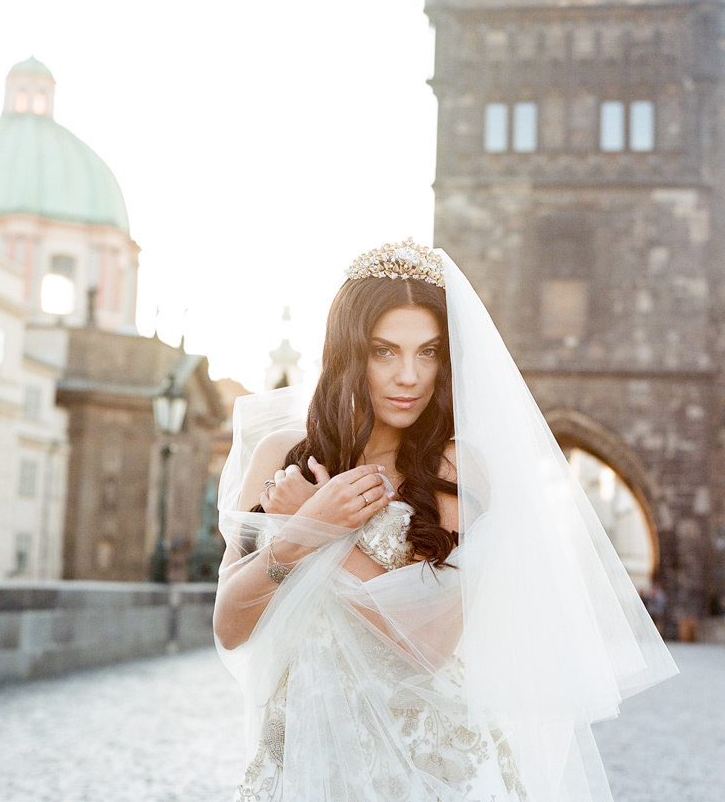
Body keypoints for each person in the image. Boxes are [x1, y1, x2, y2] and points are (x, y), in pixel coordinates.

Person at [213, 239, 677, 802]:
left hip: (427, 757)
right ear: (348, 353)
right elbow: (229, 628)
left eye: (427, 352)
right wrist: (293, 538)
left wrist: (316, 533)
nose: (409, 375)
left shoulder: (455, 467)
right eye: (385, 351)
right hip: (307, 747)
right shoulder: (279, 457)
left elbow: (427, 643)